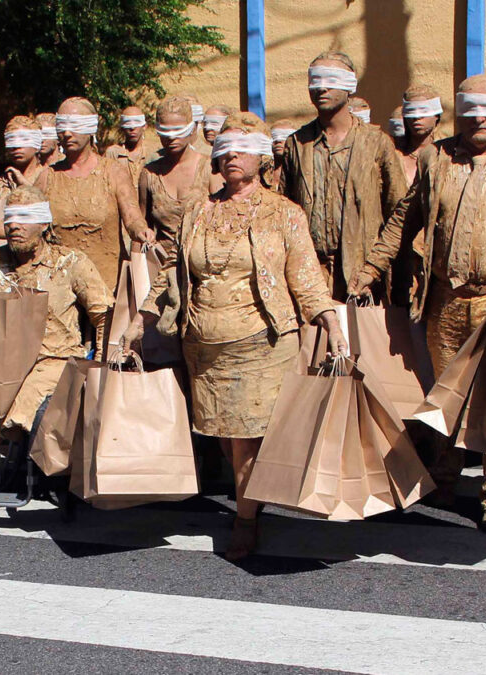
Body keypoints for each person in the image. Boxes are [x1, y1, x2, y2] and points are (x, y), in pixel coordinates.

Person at [350, 74, 486, 533]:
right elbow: (403, 221)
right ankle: (445, 475)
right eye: (470, 111)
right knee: (443, 396)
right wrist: (369, 270)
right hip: (445, 302)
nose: (479, 120)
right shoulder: (438, 158)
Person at [124, 113, 347, 561]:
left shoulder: (284, 213)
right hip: (204, 346)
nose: (230, 158)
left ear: (262, 158)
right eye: (223, 151)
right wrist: (141, 318)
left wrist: (332, 323)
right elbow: (173, 271)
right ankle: (253, 497)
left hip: (261, 343)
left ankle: (246, 518)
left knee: (246, 441)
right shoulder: (198, 209)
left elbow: (304, 274)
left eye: (241, 150)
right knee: (227, 442)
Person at [0, 185, 112, 447]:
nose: (14, 226)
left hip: (55, 359)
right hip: (3, 362)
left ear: (43, 224)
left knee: (31, 406)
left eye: (25, 219)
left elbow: (104, 314)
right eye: (9, 219)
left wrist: (98, 365)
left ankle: (35, 472)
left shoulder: (69, 262)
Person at [279, 51, 407, 301]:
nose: (322, 88)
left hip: (363, 274)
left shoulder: (376, 143)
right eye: (315, 81)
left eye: (331, 80)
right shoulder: (297, 143)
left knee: (361, 340)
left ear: (349, 86)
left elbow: (400, 213)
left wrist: (375, 266)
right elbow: (283, 210)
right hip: (310, 274)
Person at [33, 96, 151, 287]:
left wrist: (141, 231)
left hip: (107, 284)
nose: (68, 133)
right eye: (62, 126)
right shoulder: (48, 177)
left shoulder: (113, 172)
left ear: (90, 128)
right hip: (60, 285)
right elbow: (28, 222)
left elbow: (132, 216)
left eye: (76, 126)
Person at [139, 95, 212, 252]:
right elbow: (142, 223)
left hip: (202, 263)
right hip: (162, 265)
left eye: (178, 130)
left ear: (192, 128)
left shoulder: (209, 168)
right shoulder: (150, 174)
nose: (171, 137)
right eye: (165, 131)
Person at [397, 85, 442, 186]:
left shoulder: (448, 153)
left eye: (424, 111)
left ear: (437, 116)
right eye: (411, 112)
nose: (417, 117)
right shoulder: (393, 154)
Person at [105, 105, 151, 189]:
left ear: (144, 126)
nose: (132, 128)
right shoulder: (113, 153)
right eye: (128, 123)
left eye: (137, 123)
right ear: (122, 127)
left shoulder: (152, 154)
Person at [268, 118, 298, 190]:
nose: (278, 140)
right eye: (274, 136)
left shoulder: (301, 173)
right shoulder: (261, 173)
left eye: (284, 136)